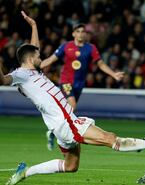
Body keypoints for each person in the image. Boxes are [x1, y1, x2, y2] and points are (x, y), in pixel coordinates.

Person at [0, 12, 145, 185]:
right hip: (67, 124)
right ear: (31, 58)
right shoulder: (21, 75)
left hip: (60, 126)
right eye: (39, 55)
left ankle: (25, 172)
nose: (42, 56)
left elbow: (34, 48)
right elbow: (2, 79)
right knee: (110, 138)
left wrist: (34, 25)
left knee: (70, 166)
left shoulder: (34, 70)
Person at [40, 22, 125, 151]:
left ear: (85, 34)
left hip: (79, 85)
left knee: (69, 110)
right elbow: (51, 59)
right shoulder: (66, 46)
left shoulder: (90, 48)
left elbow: (101, 64)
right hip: (66, 82)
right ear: (73, 33)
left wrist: (113, 74)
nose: (80, 34)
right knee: (72, 106)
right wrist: (37, 68)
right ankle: (56, 130)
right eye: (78, 31)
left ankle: (54, 131)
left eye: (83, 32)